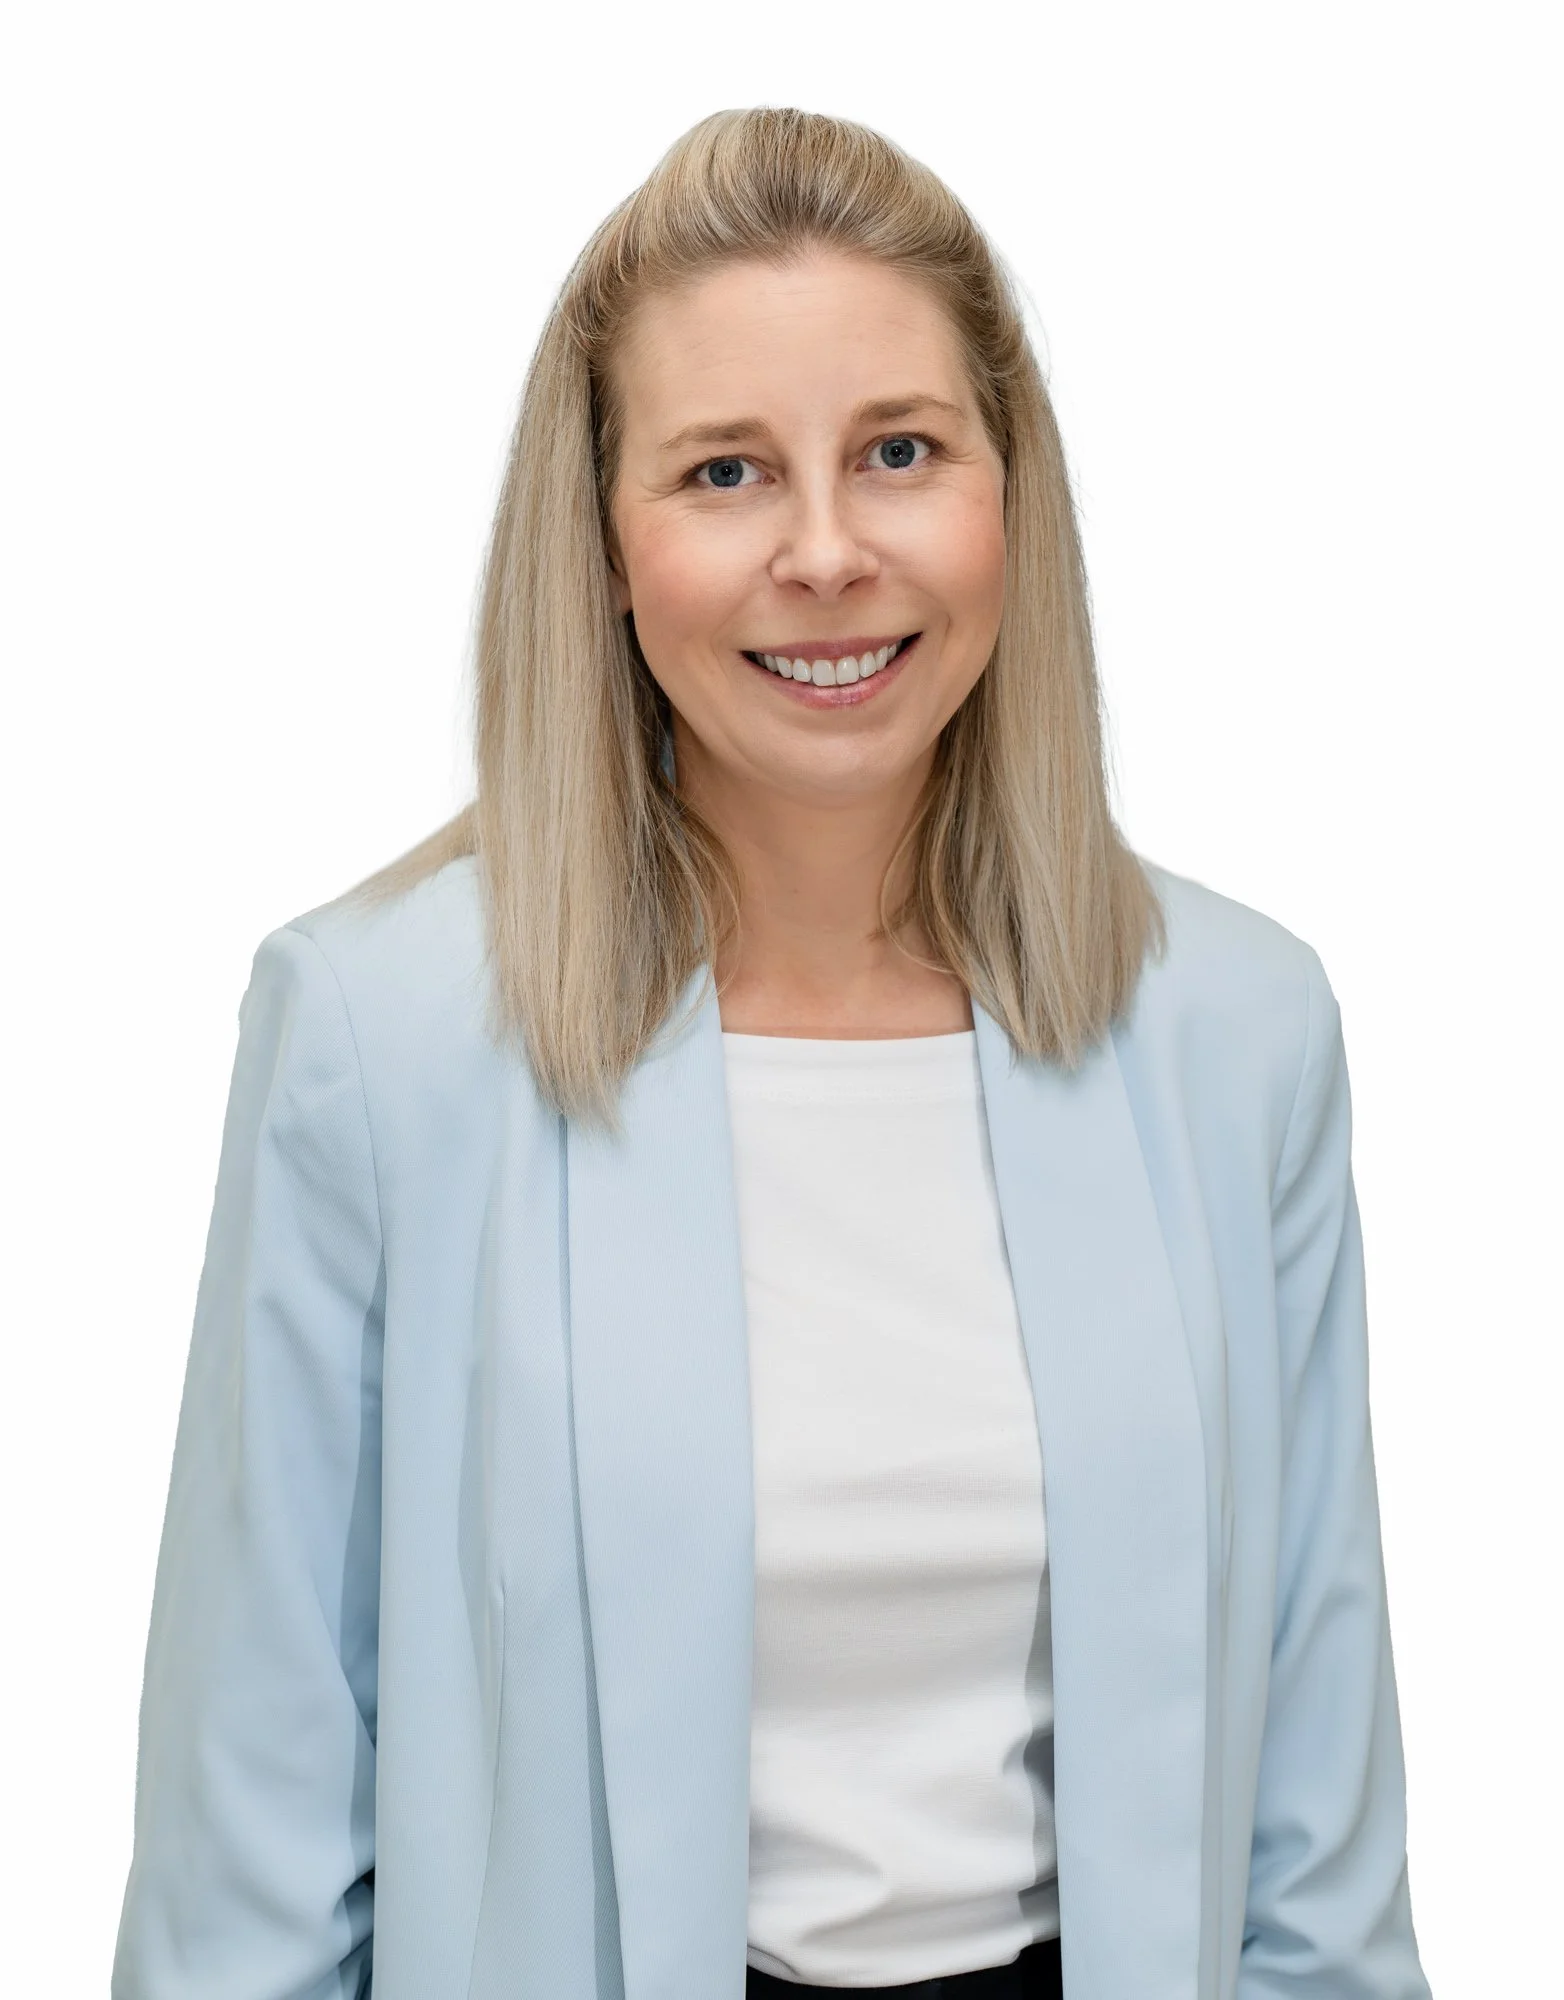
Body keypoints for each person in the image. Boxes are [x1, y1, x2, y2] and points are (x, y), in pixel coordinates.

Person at [111, 107, 1433, 2000]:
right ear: (606, 541)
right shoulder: (378, 1043)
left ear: (1008, 494)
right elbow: (251, 1841)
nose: (827, 551)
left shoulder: (1236, 1034)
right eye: (726, 471)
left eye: (899, 451)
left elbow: (1319, 1829)